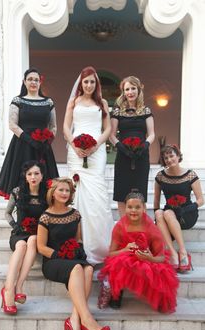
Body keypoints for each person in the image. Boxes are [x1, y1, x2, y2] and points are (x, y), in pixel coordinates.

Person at [37, 177, 110, 330]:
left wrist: (77, 250)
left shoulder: (75, 214)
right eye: (61, 190)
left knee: (89, 269)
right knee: (78, 268)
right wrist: (60, 254)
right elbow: (41, 247)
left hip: (72, 258)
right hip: (53, 261)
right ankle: (87, 319)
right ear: (53, 193)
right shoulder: (45, 217)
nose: (64, 193)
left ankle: (74, 322)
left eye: (67, 190)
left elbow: (78, 240)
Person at [63, 66, 114, 265]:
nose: (89, 85)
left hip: (97, 151)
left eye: (93, 82)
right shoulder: (73, 102)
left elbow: (108, 128)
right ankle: (78, 241)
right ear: (81, 83)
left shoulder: (102, 103)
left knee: (97, 192)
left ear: (96, 83)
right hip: (76, 150)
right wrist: (74, 145)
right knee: (77, 190)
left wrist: (95, 145)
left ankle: (100, 244)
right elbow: (66, 127)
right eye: (86, 81)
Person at [97, 191, 179, 313]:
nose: (133, 210)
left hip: (147, 258)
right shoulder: (120, 226)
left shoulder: (151, 228)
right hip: (125, 256)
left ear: (144, 208)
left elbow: (161, 257)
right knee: (119, 262)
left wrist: (150, 258)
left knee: (157, 272)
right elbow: (111, 253)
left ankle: (160, 299)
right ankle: (115, 294)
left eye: (137, 207)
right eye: (130, 207)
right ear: (125, 209)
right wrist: (124, 249)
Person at [0, 67, 59, 199]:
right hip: (22, 146)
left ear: (40, 82)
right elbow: (12, 125)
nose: (33, 82)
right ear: (24, 82)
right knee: (22, 180)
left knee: (45, 182)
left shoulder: (48, 102)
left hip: (43, 147)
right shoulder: (18, 101)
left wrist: (46, 143)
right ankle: (22, 212)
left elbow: (53, 126)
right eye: (30, 79)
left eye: (36, 80)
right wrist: (30, 140)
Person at [1, 160, 47, 314]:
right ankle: (8, 290)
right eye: (29, 174)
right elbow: (7, 213)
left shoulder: (47, 194)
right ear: (25, 177)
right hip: (19, 234)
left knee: (33, 240)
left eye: (36, 173)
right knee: (21, 245)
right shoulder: (17, 192)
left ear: (42, 176)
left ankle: (19, 286)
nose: (33, 176)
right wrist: (15, 226)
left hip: (37, 236)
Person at [154, 144, 204, 272]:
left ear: (178, 156)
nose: (169, 160)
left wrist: (188, 208)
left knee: (167, 213)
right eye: (166, 158)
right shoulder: (160, 176)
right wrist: (157, 220)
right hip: (168, 213)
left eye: (172, 156)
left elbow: (201, 200)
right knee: (161, 213)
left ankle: (182, 251)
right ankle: (173, 253)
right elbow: (156, 202)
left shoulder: (190, 175)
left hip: (187, 214)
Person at [110, 76, 155, 217]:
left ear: (138, 90)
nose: (130, 92)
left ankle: (140, 228)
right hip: (123, 156)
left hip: (141, 156)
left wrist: (145, 145)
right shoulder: (117, 111)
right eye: (127, 89)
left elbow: (152, 134)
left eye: (133, 88)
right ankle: (124, 229)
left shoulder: (146, 111)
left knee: (140, 193)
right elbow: (111, 135)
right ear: (123, 92)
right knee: (121, 192)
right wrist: (122, 148)